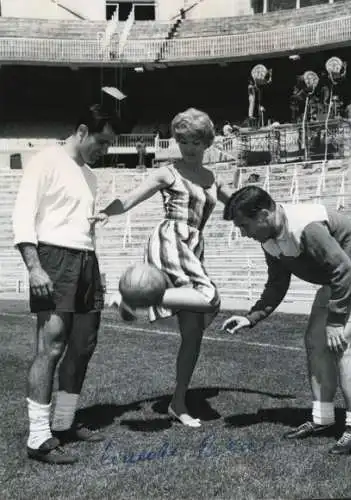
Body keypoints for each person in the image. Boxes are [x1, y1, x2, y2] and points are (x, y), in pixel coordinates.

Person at [90, 108, 230, 428]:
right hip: (171, 239)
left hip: (194, 245)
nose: (188, 147)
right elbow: (129, 198)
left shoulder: (213, 179)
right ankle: (136, 297)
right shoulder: (168, 173)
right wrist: (105, 213)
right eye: (182, 140)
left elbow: (240, 203)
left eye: (194, 141)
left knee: (194, 334)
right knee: (210, 298)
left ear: (206, 141)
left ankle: (178, 403)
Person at [221, 185, 351, 455]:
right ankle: (323, 418)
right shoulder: (268, 238)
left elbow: (344, 268)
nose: (243, 233)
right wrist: (252, 317)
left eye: (244, 225)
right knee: (314, 342)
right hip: (338, 278)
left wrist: (335, 321)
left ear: (263, 214)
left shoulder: (306, 227)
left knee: (342, 344)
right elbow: (277, 283)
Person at [12, 104, 121, 464]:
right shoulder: (46, 160)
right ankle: (38, 436)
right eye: (101, 142)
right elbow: (23, 215)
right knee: (52, 346)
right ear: (81, 131)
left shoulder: (89, 175)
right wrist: (35, 268)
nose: (104, 151)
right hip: (53, 259)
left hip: (86, 261)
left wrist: (96, 267)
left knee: (84, 345)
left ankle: (63, 423)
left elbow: (85, 229)